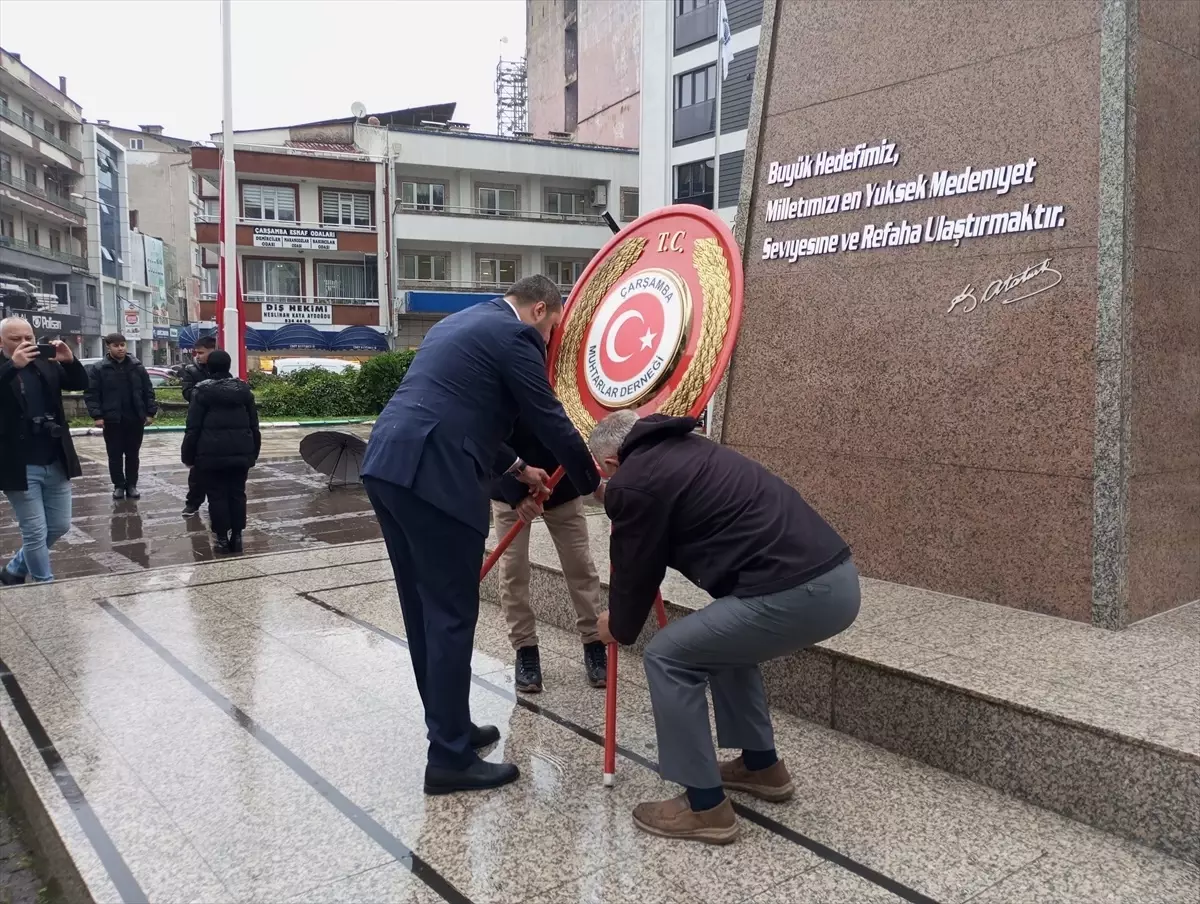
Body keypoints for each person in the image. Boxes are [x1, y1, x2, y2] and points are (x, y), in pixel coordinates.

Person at [362, 275, 600, 795]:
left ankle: (452, 728)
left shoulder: (458, 324)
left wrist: (517, 468)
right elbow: (548, 416)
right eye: (552, 328)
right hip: (435, 476)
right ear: (540, 310)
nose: (549, 339)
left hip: (388, 463)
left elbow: (457, 410)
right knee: (450, 614)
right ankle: (449, 759)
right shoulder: (516, 335)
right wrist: (596, 484)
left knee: (423, 612)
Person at [589, 410, 860, 845]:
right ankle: (761, 766)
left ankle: (704, 807)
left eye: (607, 475)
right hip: (835, 580)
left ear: (609, 463)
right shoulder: (684, 448)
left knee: (667, 656)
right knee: (721, 645)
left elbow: (635, 569)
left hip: (798, 591)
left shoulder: (635, 480)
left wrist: (617, 625)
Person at [491, 417, 607, 692]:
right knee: (513, 570)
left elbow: (569, 428)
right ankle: (525, 648)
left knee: (580, 564)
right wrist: (516, 494)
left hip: (560, 482)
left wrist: (593, 483)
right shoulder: (493, 388)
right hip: (509, 486)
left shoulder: (558, 387)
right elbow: (486, 435)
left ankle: (594, 642)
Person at [0, 318, 89, 585]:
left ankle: (15, 569)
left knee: (60, 525)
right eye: (16, 339)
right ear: (1, 342)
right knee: (35, 532)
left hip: (55, 458)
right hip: (19, 463)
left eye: (28, 337)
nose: (24, 343)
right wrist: (12, 366)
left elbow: (80, 383)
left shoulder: (44, 363)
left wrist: (69, 361)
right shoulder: (5, 367)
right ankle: (44, 585)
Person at [180, 350, 260, 554]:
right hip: (241, 452)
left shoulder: (201, 391)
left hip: (211, 454)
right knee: (237, 494)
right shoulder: (244, 391)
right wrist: (253, 453)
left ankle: (222, 539)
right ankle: (238, 537)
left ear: (209, 368)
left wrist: (188, 455)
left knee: (216, 496)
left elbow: (193, 428)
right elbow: (254, 425)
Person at [84, 333, 157, 499]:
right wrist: (97, 416)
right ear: (108, 347)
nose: (120, 348)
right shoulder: (99, 368)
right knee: (114, 455)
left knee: (133, 454)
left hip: (134, 417)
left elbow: (148, 390)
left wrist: (150, 412)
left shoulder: (137, 367)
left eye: (122, 345)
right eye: (116, 345)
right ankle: (118, 485)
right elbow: (91, 394)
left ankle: (131, 485)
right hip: (112, 419)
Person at [179, 335, 217, 516]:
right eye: (197, 353)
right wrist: (207, 391)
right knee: (197, 468)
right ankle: (193, 502)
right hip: (200, 421)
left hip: (218, 424)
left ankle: (216, 504)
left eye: (202, 352)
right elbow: (187, 393)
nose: (198, 356)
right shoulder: (191, 370)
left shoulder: (220, 366)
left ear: (212, 351)